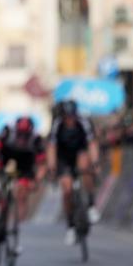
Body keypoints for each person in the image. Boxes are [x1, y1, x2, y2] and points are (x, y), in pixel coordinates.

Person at [46, 99, 101, 246]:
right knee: (67, 189)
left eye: (72, 117)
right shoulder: (57, 124)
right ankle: (70, 226)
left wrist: (95, 163)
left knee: (86, 167)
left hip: (80, 152)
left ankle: (91, 205)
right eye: (67, 117)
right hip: (64, 157)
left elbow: (92, 144)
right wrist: (51, 167)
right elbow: (51, 147)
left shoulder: (84, 122)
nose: (70, 120)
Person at [0, 116, 46, 222]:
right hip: (8, 161)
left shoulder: (36, 139)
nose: (22, 138)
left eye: (25, 135)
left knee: (22, 192)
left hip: (25, 166)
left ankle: (20, 222)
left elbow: (42, 164)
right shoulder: (7, 132)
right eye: (20, 134)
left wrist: (37, 180)